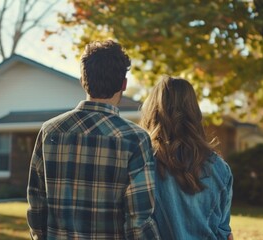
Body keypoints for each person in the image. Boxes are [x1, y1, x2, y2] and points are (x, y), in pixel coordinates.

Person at [27, 40, 160, 240]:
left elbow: (36, 207)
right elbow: (138, 221)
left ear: (82, 80)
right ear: (124, 84)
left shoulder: (49, 132)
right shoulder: (136, 139)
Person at [140, 76, 233, 240]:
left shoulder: (142, 162)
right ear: (194, 111)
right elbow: (224, 232)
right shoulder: (219, 167)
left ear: (153, 111)